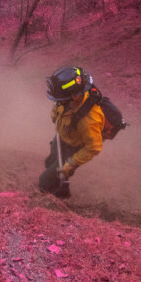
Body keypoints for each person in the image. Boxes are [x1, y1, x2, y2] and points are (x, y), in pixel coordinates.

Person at [38, 66, 104, 198]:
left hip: (72, 149)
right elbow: (59, 107)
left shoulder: (89, 120)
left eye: (61, 100)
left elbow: (94, 147)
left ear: (75, 96)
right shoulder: (68, 100)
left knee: (45, 181)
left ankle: (57, 198)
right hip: (63, 137)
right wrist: (55, 114)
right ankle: (58, 183)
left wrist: (71, 164)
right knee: (50, 162)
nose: (58, 102)